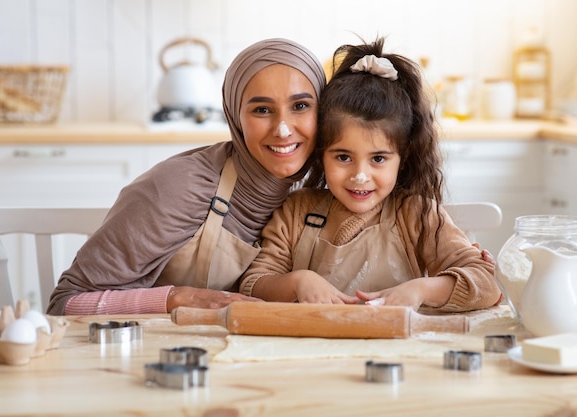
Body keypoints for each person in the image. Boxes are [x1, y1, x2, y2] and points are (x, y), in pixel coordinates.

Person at [46, 38, 327, 315]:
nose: (282, 129)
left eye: (300, 106)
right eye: (262, 110)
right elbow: (66, 303)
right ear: (234, 116)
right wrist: (177, 298)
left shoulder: (329, 184)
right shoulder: (178, 187)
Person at [239, 38, 503, 312]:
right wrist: (298, 282)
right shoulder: (296, 213)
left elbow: (488, 283)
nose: (360, 176)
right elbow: (253, 284)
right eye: (343, 157)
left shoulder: (417, 215)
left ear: (404, 157)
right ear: (321, 153)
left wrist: (421, 289)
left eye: (378, 159)